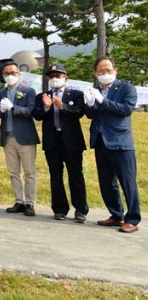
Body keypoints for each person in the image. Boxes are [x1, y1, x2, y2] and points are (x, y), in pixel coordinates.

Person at [85, 57, 141, 233]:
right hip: (100, 141)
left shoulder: (126, 88)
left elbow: (125, 110)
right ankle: (116, 215)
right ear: (95, 73)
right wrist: (89, 104)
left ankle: (132, 219)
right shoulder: (94, 90)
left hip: (120, 142)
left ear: (115, 71)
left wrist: (102, 100)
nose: (105, 73)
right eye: (100, 71)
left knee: (127, 182)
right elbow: (91, 115)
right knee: (107, 182)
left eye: (108, 70)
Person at [33, 64, 88, 223]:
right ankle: (59, 208)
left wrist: (62, 106)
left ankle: (80, 209)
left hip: (71, 140)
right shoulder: (42, 95)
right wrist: (46, 107)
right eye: (51, 76)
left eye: (58, 76)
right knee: (55, 175)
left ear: (66, 78)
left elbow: (79, 112)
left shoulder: (76, 94)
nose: (55, 79)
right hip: (52, 139)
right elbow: (37, 115)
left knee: (75, 174)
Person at [0, 61, 39, 217]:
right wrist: (0, 110)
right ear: (3, 76)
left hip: (25, 138)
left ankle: (30, 203)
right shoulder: (1, 93)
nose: (10, 76)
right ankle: (19, 201)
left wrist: (13, 108)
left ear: (19, 74)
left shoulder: (28, 91)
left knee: (29, 172)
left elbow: (30, 111)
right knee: (14, 172)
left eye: (13, 73)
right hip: (8, 137)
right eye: (6, 74)